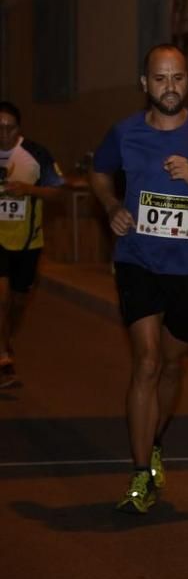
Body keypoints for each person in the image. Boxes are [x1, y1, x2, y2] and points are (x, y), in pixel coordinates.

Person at [89, 44, 188, 514]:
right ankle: (141, 472)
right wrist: (112, 207)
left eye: (177, 78)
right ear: (145, 85)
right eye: (160, 79)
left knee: (173, 365)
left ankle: (154, 438)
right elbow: (99, 175)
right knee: (146, 361)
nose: (170, 88)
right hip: (138, 259)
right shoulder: (124, 134)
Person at [0, 101, 65, 387]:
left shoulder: (36, 154)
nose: (3, 134)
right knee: (0, 298)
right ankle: (2, 357)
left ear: (19, 128)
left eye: (9, 128)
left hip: (28, 242)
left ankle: (4, 340)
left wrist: (27, 190)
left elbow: (56, 193)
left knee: (17, 301)